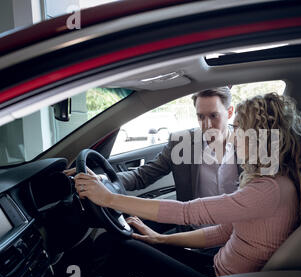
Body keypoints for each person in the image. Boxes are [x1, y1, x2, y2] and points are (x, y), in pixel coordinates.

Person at [74, 93, 301, 277]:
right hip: (214, 266)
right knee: (128, 240)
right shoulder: (272, 179)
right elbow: (224, 231)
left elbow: (188, 212)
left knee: (122, 248)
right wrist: (161, 239)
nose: (233, 133)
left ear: (259, 135)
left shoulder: (268, 189)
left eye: (238, 127)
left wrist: (109, 199)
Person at [65, 86, 242, 240]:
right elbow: (142, 175)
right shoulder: (183, 143)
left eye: (214, 116)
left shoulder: (252, 143)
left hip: (240, 236)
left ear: (229, 112)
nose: (207, 124)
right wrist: (103, 179)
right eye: (201, 117)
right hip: (193, 234)